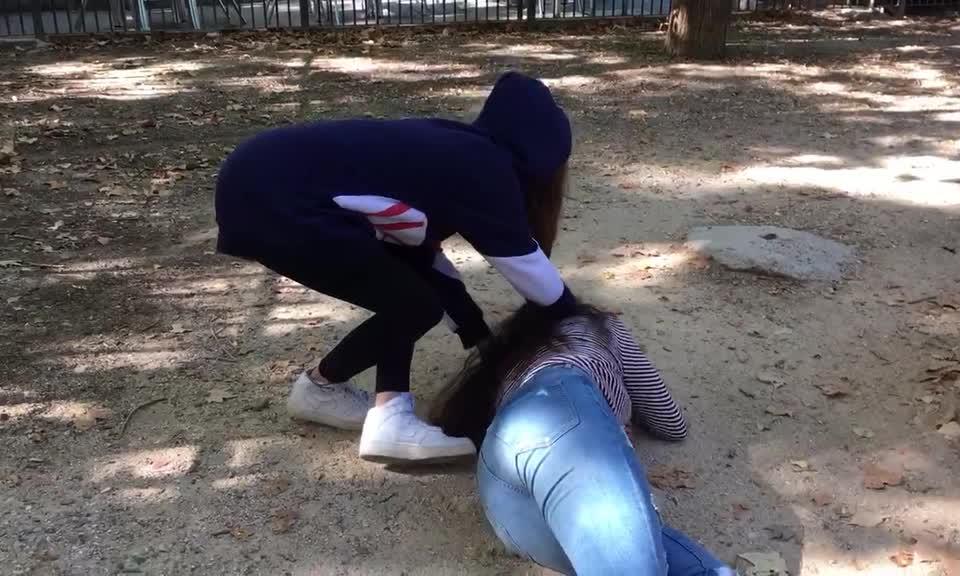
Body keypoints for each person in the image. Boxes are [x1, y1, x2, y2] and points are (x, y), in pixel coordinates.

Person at [215, 71, 575, 464]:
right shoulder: (486, 168)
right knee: (413, 305)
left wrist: (481, 338)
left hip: (253, 178)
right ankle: (385, 419)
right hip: (274, 195)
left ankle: (321, 390)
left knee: (406, 295)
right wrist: (575, 318)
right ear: (542, 156)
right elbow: (525, 265)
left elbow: (422, 262)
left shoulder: (454, 149)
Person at [431, 304, 733, 576]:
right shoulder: (598, 326)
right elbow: (670, 422)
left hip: (506, 503)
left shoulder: (511, 357)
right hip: (562, 416)